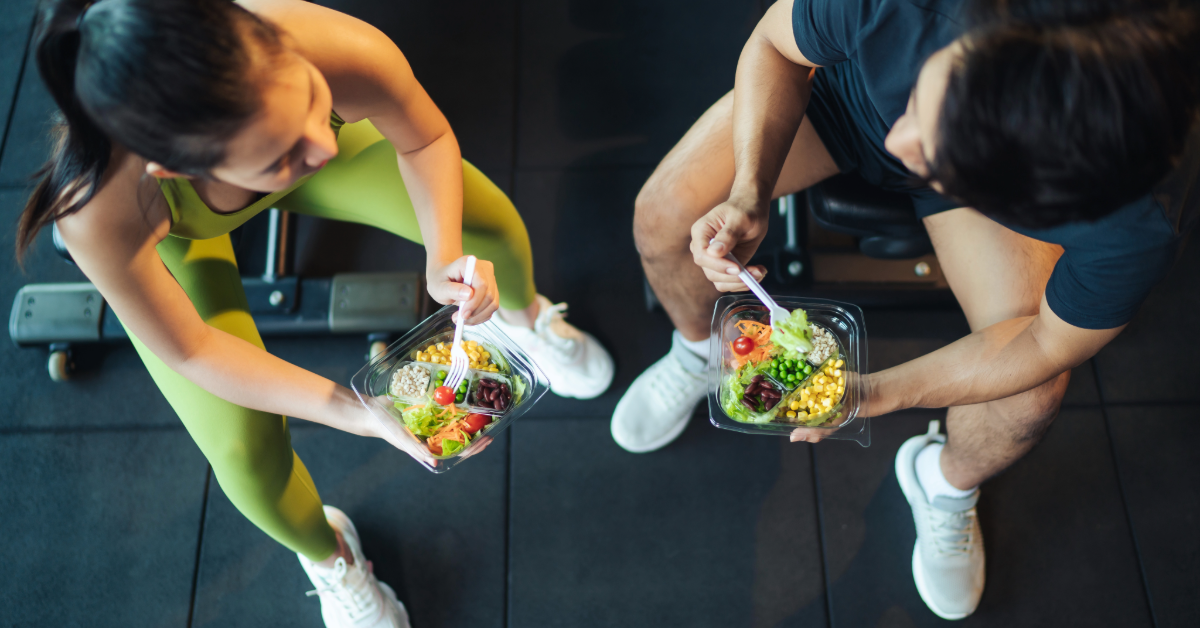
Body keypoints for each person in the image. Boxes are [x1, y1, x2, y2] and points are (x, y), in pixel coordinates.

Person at [20, 0, 614, 625]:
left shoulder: (333, 52)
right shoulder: (98, 208)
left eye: (311, 104)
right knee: (246, 452)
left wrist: (443, 258)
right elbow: (192, 349)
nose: (323, 146)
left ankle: (527, 319)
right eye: (280, 154)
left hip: (259, 130)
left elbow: (427, 136)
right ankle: (332, 559)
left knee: (485, 222)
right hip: (179, 236)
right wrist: (358, 413)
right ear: (175, 167)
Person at [617, 0, 1198, 619]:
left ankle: (944, 483)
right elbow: (774, 43)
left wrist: (875, 393)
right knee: (663, 212)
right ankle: (700, 351)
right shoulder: (906, 7)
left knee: (1032, 397)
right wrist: (750, 190)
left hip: (977, 198)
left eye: (935, 147)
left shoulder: (1134, 223)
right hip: (845, 98)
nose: (899, 139)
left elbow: (1047, 343)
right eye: (924, 95)